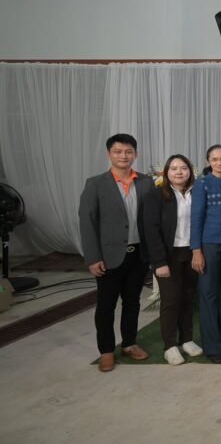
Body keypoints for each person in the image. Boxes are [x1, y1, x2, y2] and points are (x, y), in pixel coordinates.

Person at [79, 133, 155, 372]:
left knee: (132, 302)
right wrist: (93, 257)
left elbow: (152, 219)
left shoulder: (146, 182)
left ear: (135, 154)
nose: (124, 156)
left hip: (138, 254)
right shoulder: (95, 184)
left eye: (128, 152)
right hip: (109, 256)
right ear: (109, 154)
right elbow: (87, 222)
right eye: (118, 152)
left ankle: (129, 343)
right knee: (106, 306)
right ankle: (106, 351)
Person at [142, 154, 203, 365]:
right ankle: (170, 345)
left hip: (192, 252)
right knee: (170, 300)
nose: (179, 172)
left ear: (190, 171)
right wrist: (159, 262)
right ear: (167, 172)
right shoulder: (156, 195)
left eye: (183, 168)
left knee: (188, 298)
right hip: (168, 256)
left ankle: (186, 339)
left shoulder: (197, 192)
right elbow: (151, 231)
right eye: (174, 168)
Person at [190, 144, 221, 364]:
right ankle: (212, 348)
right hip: (209, 244)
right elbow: (196, 218)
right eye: (214, 159)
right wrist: (196, 251)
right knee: (209, 295)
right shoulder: (201, 184)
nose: (219, 163)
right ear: (208, 161)